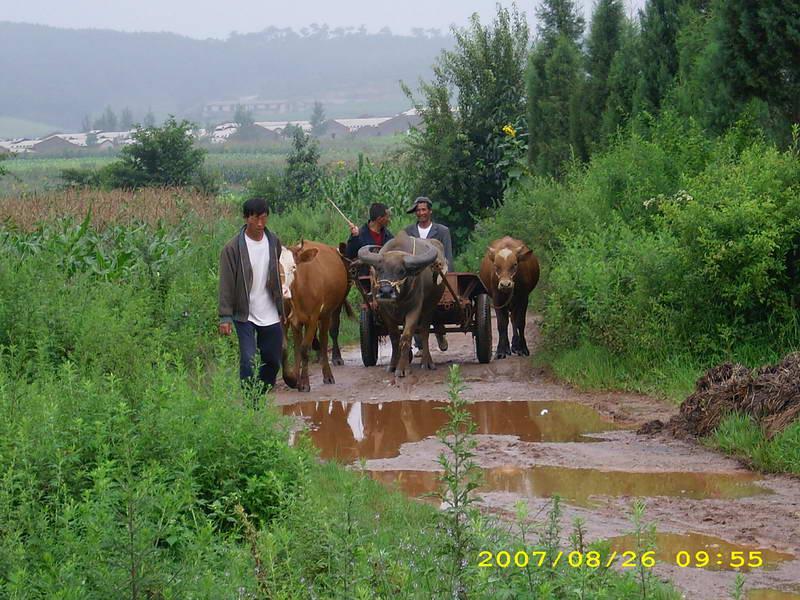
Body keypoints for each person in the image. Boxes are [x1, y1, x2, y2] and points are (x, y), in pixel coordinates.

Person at [218, 197, 285, 399]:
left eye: (263, 219)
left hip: (270, 310)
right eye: (255, 219)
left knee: (273, 360)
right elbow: (226, 284)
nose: (259, 224)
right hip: (244, 313)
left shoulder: (273, 242)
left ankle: (260, 393)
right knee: (248, 360)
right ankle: (251, 403)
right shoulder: (232, 249)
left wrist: (282, 306)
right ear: (246, 218)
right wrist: (225, 317)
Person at [404, 196, 453, 352]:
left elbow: (447, 256)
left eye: (424, 209)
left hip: (435, 275)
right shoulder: (408, 232)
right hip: (416, 276)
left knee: (434, 304)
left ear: (430, 211)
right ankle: (419, 346)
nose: (421, 213)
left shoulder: (442, 231)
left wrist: (446, 275)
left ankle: (439, 331)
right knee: (414, 306)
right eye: (418, 210)